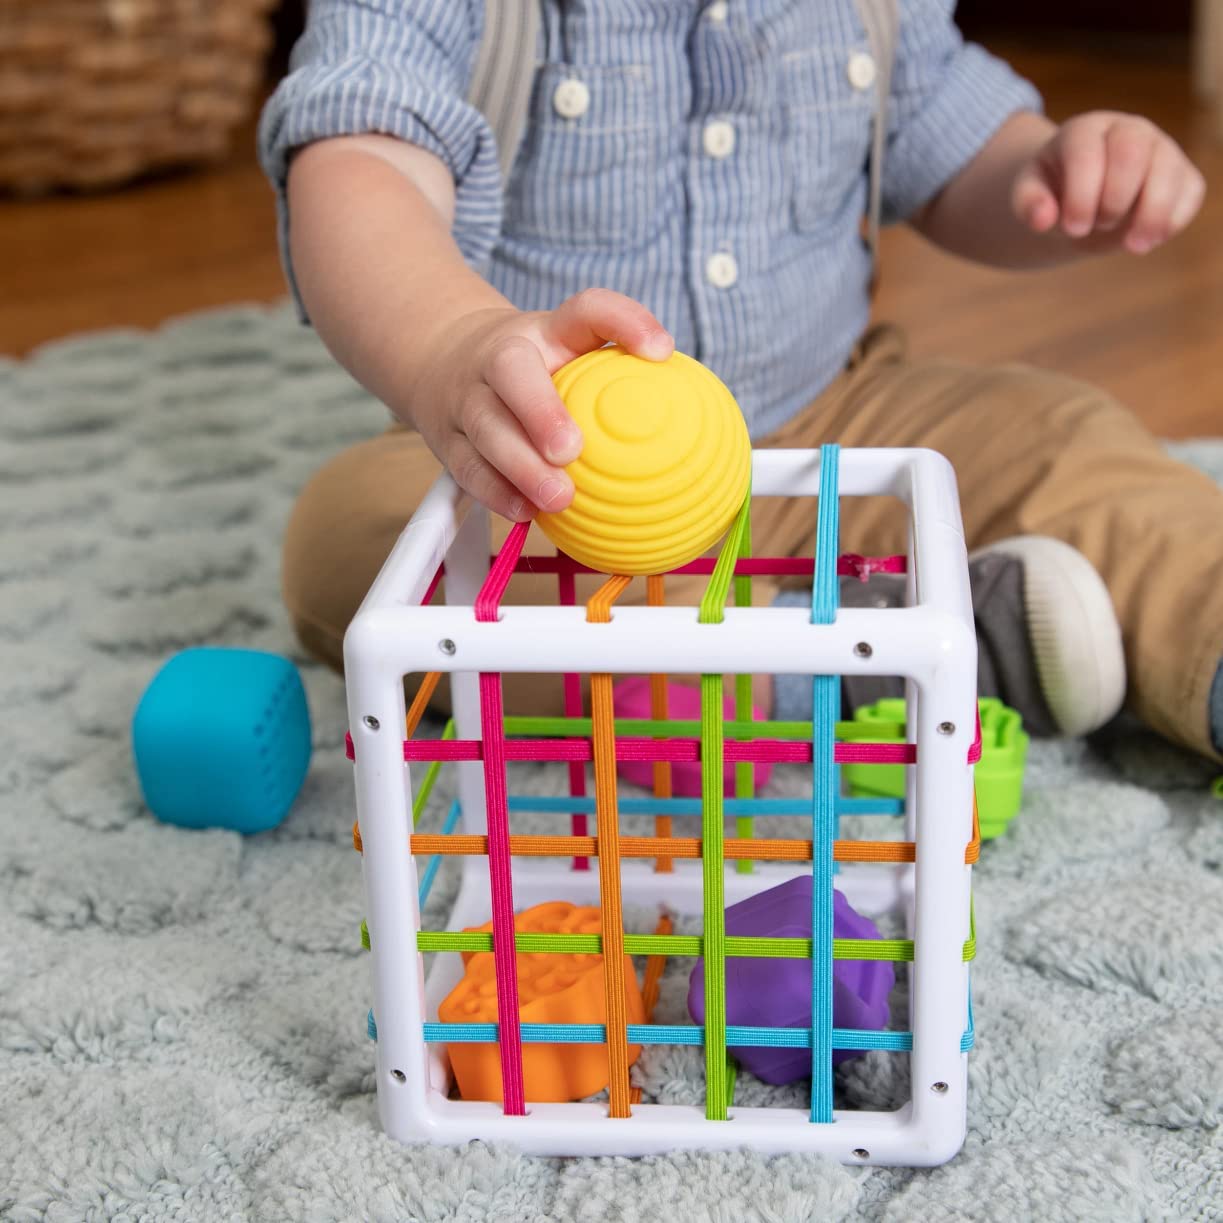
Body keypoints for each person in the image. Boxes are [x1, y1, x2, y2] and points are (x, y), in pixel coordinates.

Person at [257, 0, 1222, 764]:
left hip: (838, 428)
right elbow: (361, 160)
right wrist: (451, 344)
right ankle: (836, 676)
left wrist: (1048, 177)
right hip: (545, 487)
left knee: (1063, 438)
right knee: (355, 544)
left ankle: (1203, 640)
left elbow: (949, 144)